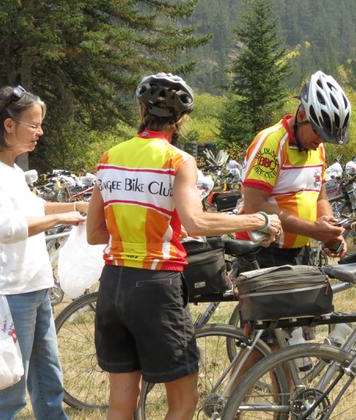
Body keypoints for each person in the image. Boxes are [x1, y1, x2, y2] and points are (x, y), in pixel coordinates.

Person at [85, 72, 281, 420]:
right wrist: (258, 221)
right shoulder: (178, 161)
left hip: (113, 282)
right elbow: (197, 223)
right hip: (156, 285)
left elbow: (95, 234)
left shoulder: (109, 157)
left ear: (141, 109)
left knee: (120, 404)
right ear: (180, 119)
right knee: (183, 401)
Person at [0, 85, 87, 419]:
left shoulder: (13, 171)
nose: (40, 132)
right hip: (8, 294)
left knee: (49, 382)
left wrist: (80, 206)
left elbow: (37, 206)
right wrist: (61, 217)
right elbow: (4, 228)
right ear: (9, 125)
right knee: (9, 389)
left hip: (35, 288)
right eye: (34, 124)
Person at [239, 70, 351, 268]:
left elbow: (320, 197)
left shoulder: (317, 147)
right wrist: (313, 230)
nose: (321, 140)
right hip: (263, 250)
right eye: (318, 131)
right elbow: (254, 205)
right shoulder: (271, 143)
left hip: (299, 250)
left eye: (326, 136)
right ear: (301, 115)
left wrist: (330, 233)